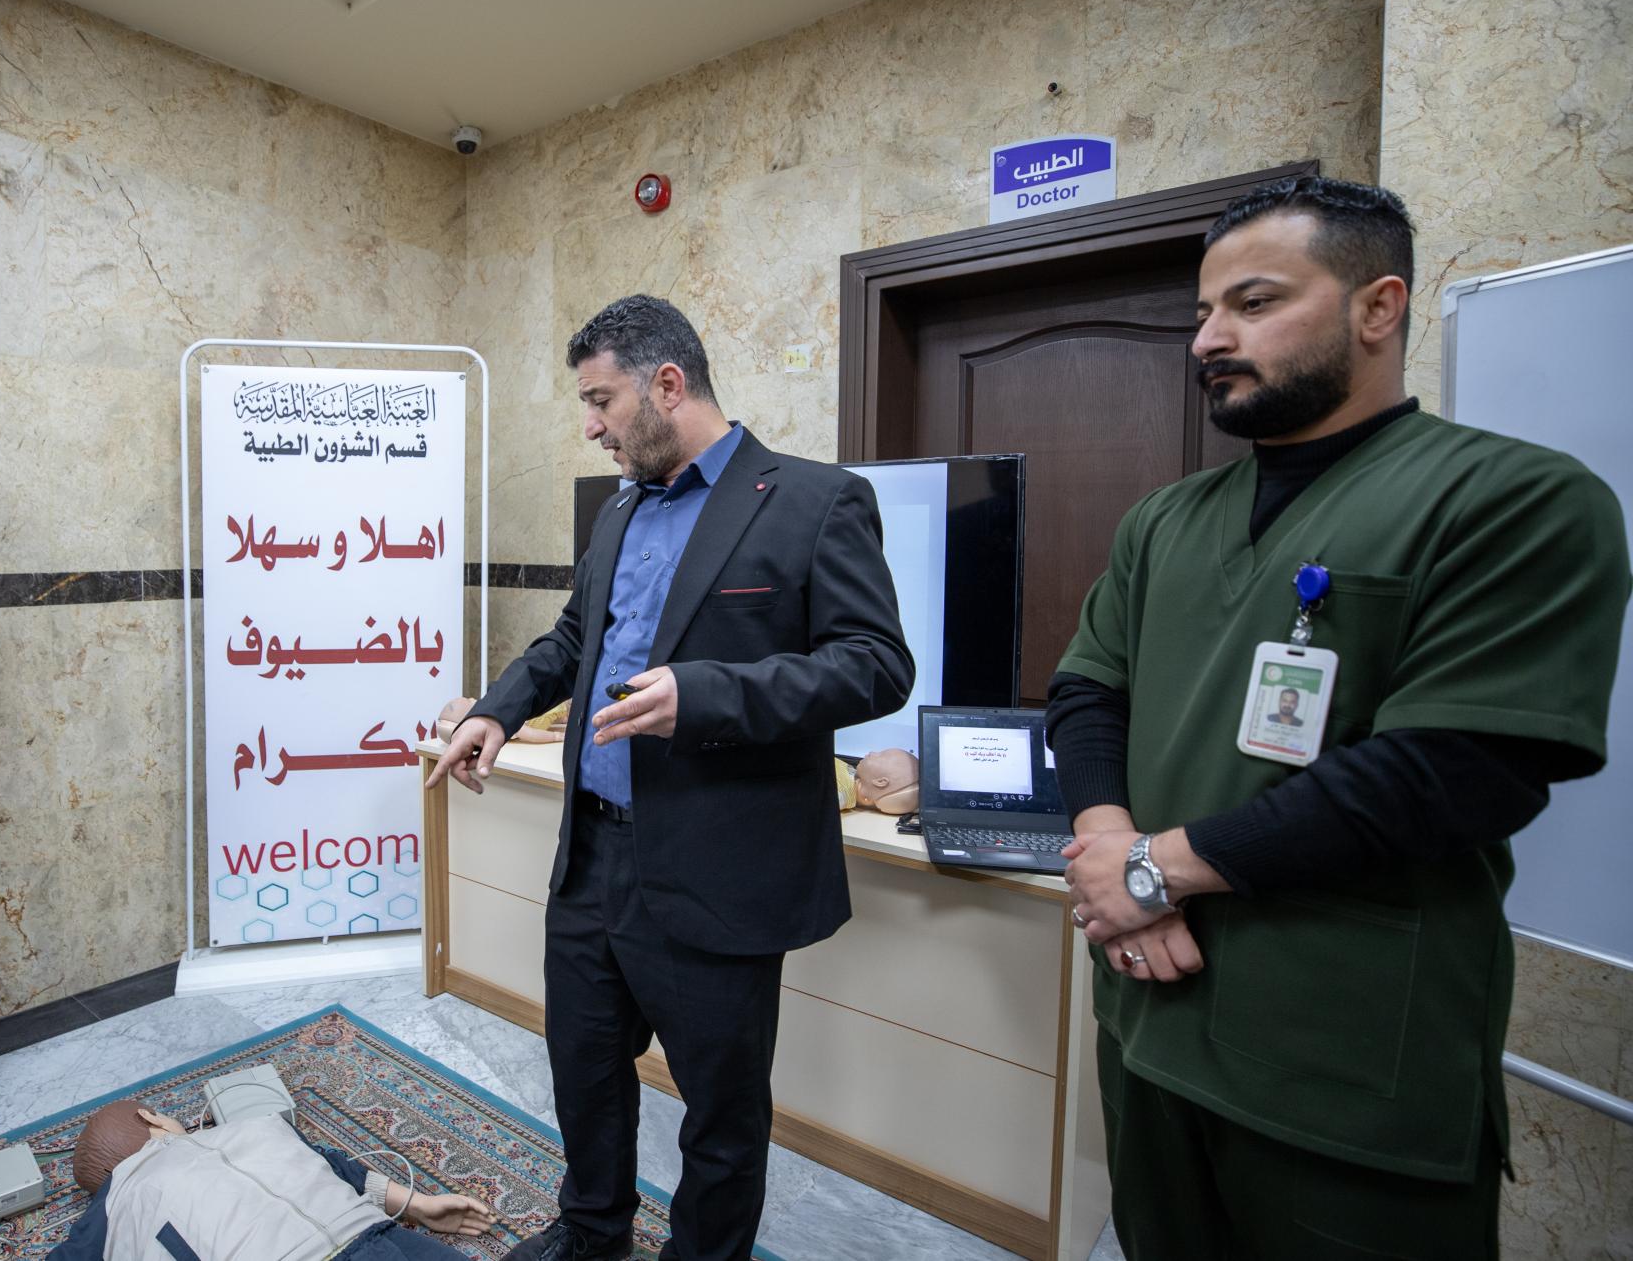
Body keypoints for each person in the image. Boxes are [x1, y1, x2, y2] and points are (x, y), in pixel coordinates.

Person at [1047, 178, 1629, 1259]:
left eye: (1255, 302)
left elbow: (1459, 766)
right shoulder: (1163, 521)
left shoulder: (1511, 500)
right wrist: (1115, 847)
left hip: (1340, 1067)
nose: (1208, 339)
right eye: (1203, 311)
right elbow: (1087, 692)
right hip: (1148, 1023)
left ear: (1377, 307)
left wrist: (1153, 871)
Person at [427, 295, 914, 1261]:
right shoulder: (619, 509)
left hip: (717, 868)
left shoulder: (817, 500)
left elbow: (876, 664)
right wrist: (498, 708)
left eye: (601, 400)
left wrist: (709, 694)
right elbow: (576, 637)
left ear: (667, 383)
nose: (591, 425)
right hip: (593, 857)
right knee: (585, 1071)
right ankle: (593, 1235)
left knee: (721, 1116)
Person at [47, 1100, 496, 1260]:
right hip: (371, 1235)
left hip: (364, 1233)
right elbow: (336, 1166)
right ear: (152, 1119)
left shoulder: (121, 1200)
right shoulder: (257, 1126)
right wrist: (417, 1204)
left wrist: (421, 1208)